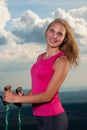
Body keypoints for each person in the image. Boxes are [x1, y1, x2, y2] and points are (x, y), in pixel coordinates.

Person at [3, 18, 79, 130]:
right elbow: (39, 87)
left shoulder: (61, 61)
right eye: (52, 31)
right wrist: (22, 97)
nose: (54, 36)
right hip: (41, 118)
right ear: (46, 32)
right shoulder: (40, 57)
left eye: (59, 34)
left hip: (54, 118)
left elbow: (47, 96)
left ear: (64, 39)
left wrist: (15, 99)